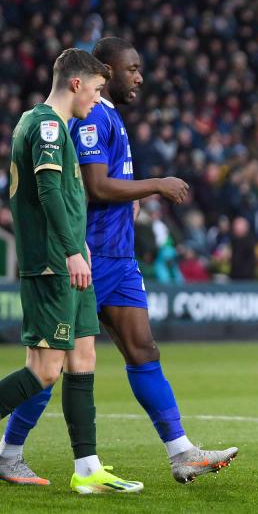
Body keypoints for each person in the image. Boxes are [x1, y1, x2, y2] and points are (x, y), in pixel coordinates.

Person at [0, 38, 237, 486]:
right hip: (87, 255)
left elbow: (101, 185)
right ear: (101, 74)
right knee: (52, 364)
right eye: (131, 69)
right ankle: (12, 452)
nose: (138, 77)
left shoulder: (100, 115)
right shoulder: (83, 119)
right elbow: (94, 186)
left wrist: (131, 198)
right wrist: (154, 185)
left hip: (116, 255)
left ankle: (174, 453)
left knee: (138, 350)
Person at [0, 48, 143, 493]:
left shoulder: (57, 126)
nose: (99, 101)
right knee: (43, 372)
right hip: (52, 264)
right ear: (76, 84)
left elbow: (66, 194)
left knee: (83, 359)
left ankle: (87, 470)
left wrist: (79, 242)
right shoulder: (45, 125)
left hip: (71, 258)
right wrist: (71, 251)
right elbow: (47, 192)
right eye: (98, 91)